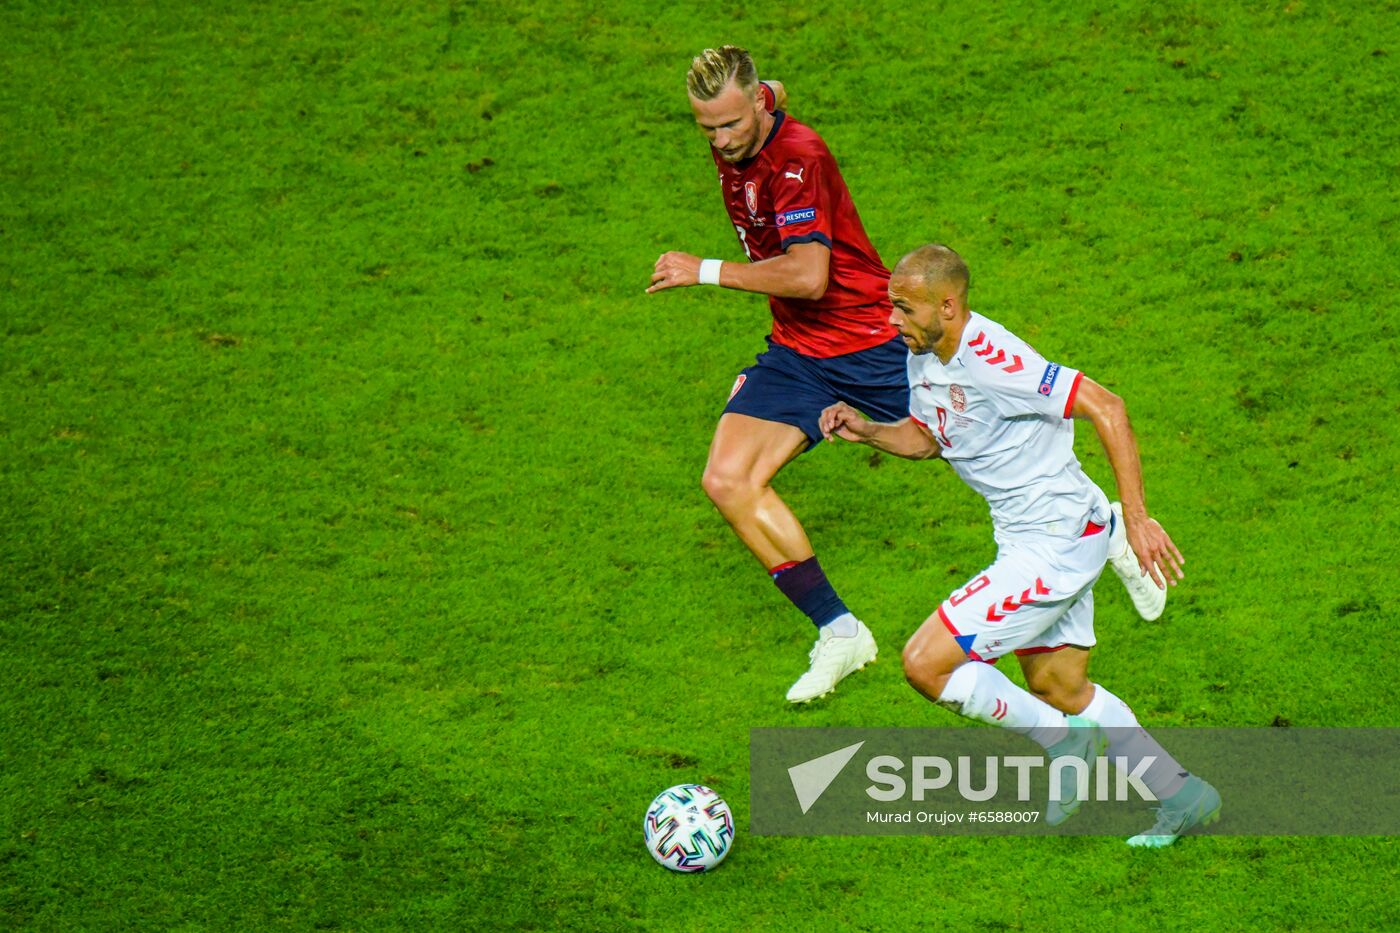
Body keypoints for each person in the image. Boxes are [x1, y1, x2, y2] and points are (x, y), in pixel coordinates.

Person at [819, 244, 1219, 846]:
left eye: (903, 308)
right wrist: (867, 430)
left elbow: (1107, 407)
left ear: (948, 305)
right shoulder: (923, 352)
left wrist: (1139, 518)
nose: (891, 320)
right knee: (1058, 687)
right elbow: (932, 438)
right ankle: (1185, 795)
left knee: (925, 664)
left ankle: (1063, 739)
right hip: (1041, 533)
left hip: (1051, 547)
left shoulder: (995, 360)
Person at [648, 46, 909, 703]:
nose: (721, 140)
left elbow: (807, 275)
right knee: (727, 478)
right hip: (799, 351)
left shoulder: (801, 159)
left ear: (758, 105)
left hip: (871, 344)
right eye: (707, 128)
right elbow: (775, 90)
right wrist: (756, 101)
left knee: (983, 451)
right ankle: (841, 631)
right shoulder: (745, 121)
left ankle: (1100, 525)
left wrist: (700, 270)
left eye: (731, 124)